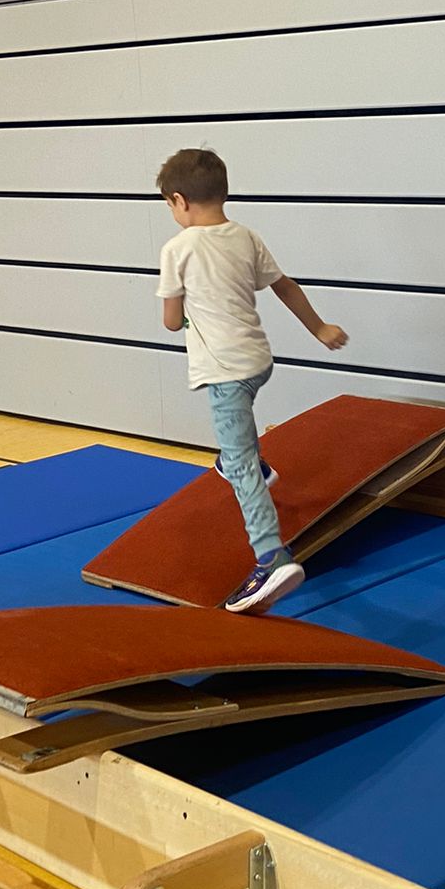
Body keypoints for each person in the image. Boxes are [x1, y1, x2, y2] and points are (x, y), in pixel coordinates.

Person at [156, 147, 348, 612]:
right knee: (236, 448)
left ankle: (270, 556)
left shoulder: (177, 249)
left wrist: (186, 313)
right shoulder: (245, 236)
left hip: (225, 372)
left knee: (238, 463)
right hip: (258, 362)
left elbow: (170, 321)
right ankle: (249, 462)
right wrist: (320, 328)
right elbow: (285, 286)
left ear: (179, 200)